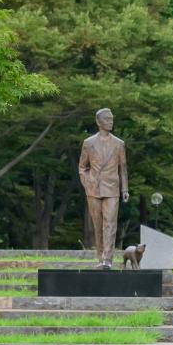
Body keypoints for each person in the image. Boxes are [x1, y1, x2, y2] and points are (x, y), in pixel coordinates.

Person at [77, 108, 129, 269]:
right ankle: (100, 258)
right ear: (99, 122)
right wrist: (87, 182)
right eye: (107, 119)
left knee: (110, 224)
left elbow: (123, 168)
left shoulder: (119, 144)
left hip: (112, 188)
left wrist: (125, 189)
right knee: (98, 225)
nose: (111, 121)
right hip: (94, 188)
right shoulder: (89, 143)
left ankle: (108, 259)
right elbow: (82, 167)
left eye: (112, 118)